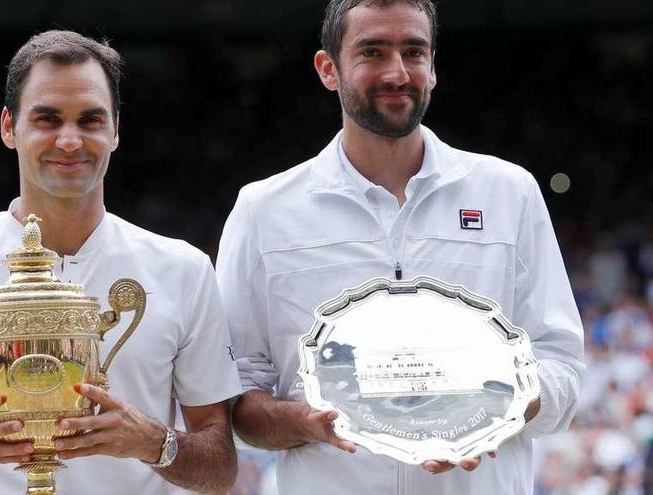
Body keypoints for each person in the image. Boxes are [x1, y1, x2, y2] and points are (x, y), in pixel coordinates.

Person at [216, 1, 584, 494]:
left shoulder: (508, 191)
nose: (397, 72)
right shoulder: (262, 210)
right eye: (372, 52)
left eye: (414, 52)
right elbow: (234, 397)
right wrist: (310, 420)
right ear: (329, 69)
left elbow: (562, 367)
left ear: (432, 68)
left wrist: (501, 405)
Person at [0, 30, 241, 495]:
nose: (69, 140)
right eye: (47, 118)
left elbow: (221, 465)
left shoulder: (185, 271)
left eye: (90, 120)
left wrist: (152, 441)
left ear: (116, 130)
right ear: (8, 126)